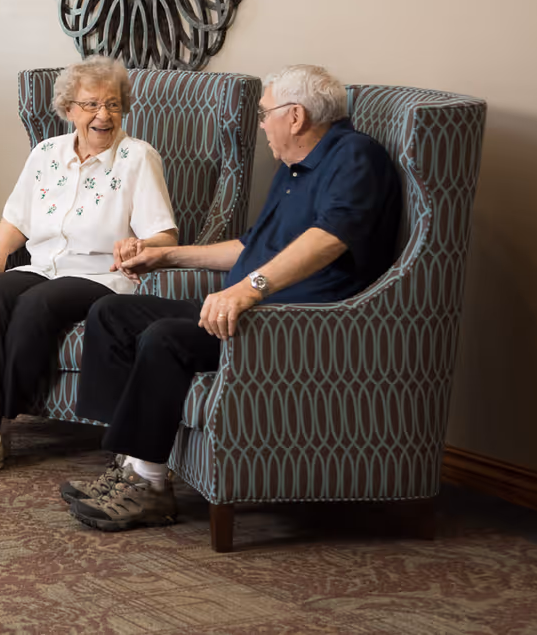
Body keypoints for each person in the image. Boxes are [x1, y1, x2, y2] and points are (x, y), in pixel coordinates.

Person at [60, 64, 403, 531]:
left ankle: (150, 486)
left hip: (295, 321)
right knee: (114, 312)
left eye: (266, 114)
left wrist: (249, 289)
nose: (262, 125)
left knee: (166, 338)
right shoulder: (294, 170)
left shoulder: (356, 158)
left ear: (295, 116)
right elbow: (249, 249)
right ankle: (128, 462)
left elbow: (329, 239)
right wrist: (164, 257)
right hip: (254, 308)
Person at [0, 56, 179, 478]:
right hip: (43, 265)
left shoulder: (138, 158)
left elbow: (166, 237)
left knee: (38, 304)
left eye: (114, 105)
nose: (104, 115)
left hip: (101, 275)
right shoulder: (46, 153)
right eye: (91, 105)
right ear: (69, 110)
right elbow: (17, 219)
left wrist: (139, 243)